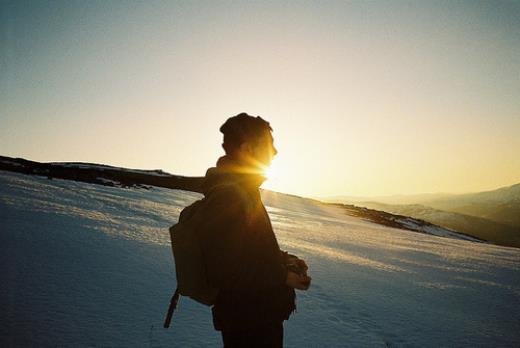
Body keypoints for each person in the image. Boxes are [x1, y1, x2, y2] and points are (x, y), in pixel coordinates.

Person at [200, 112, 311, 348]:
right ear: (247, 149)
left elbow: (248, 248)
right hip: (248, 323)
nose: (275, 152)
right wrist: (283, 276)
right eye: (269, 145)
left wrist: (284, 259)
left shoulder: (243, 190)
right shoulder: (228, 195)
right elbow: (226, 270)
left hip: (257, 317)